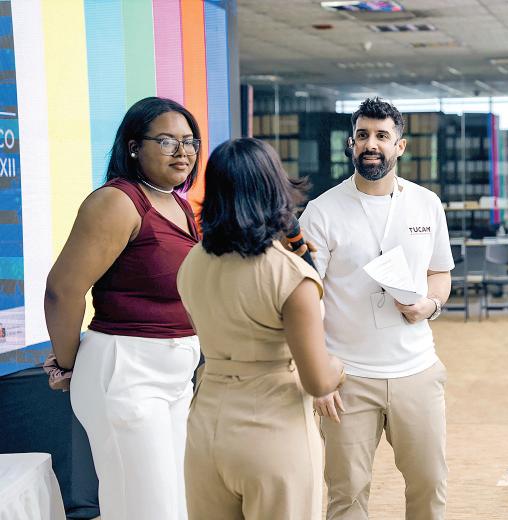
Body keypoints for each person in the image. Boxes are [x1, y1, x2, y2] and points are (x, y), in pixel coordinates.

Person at [44, 97, 203, 520]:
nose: (183, 152)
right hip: (126, 374)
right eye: (167, 141)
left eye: (190, 141)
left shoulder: (176, 202)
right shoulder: (117, 202)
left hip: (174, 379)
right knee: (147, 509)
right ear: (134, 147)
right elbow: (62, 290)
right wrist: (67, 364)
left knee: (178, 504)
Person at [299, 97, 454, 520]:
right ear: (351, 144)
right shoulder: (321, 212)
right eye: (363, 135)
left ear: (399, 146)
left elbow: (440, 273)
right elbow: (305, 300)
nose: (372, 144)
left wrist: (429, 305)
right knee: (346, 495)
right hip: (348, 378)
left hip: (417, 372)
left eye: (382, 136)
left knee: (429, 486)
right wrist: (320, 377)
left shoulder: (426, 203)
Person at [177, 137, 345, 520]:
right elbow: (319, 381)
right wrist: (339, 366)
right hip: (273, 433)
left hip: (206, 429)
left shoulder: (192, 262)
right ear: (274, 189)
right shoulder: (291, 275)